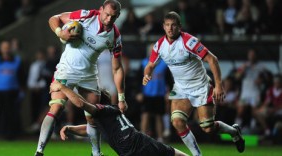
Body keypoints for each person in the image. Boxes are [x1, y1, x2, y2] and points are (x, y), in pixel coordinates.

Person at [142, 11, 245, 156]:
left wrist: (218, 85)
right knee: (177, 122)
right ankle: (197, 155)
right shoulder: (159, 45)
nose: (170, 28)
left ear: (179, 26)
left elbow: (212, 59)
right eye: (167, 25)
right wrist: (147, 74)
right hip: (181, 88)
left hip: (200, 86)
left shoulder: (189, 42)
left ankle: (234, 132)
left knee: (207, 127)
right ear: (163, 27)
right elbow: (151, 64)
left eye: (173, 25)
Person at [35, 1, 127, 156]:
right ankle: (39, 152)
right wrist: (60, 32)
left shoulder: (115, 37)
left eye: (113, 16)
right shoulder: (87, 16)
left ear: (118, 16)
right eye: (107, 14)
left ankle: (96, 153)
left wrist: (121, 97)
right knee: (56, 108)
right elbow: (54, 18)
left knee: (93, 116)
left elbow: (117, 68)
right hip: (66, 71)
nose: (109, 19)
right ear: (101, 10)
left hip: (89, 75)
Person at [49, 80, 188, 156]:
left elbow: (80, 103)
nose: (87, 95)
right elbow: (91, 130)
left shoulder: (102, 110)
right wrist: (70, 129)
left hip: (132, 149)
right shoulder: (107, 114)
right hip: (141, 141)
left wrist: (62, 86)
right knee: (171, 153)